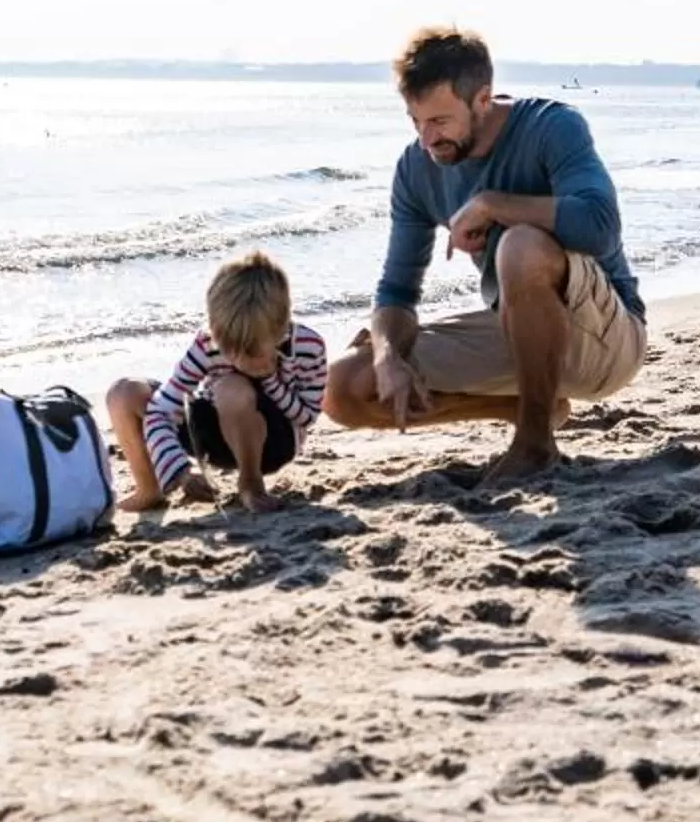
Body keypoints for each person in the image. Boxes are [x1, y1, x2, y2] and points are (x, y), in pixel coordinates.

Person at [324, 26, 646, 489]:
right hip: (521, 335)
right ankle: (526, 411)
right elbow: (397, 290)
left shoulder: (552, 127)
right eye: (416, 122)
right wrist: (389, 356)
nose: (426, 139)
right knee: (347, 386)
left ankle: (534, 443)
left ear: (483, 99)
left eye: (439, 121)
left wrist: (493, 204)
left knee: (520, 246)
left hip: (607, 340)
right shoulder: (417, 170)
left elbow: (600, 224)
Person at [108, 251, 328, 515]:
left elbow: (307, 417)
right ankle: (149, 488)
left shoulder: (308, 346)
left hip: (273, 441)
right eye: (229, 348)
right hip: (213, 434)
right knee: (124, 393)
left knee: (231, 386)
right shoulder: (207, 344)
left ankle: (250, 482)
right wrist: (180, 471)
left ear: (281, 328)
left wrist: (270, 380)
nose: (237, 358)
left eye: (250, 351)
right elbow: (161, 409)